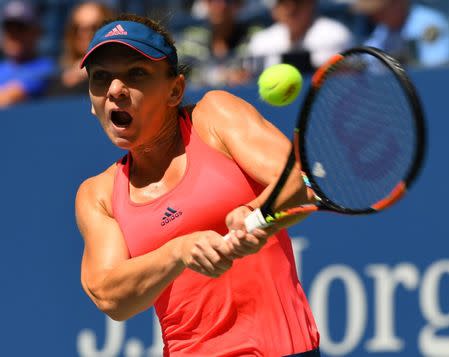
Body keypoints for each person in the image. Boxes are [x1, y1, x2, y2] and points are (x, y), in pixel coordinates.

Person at [75, 13, 321, 356]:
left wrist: (256, 214)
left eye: (136, 74)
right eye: (101, 78)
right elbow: (108, 294)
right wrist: (178, 251)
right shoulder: (98, 194)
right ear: (91, 101)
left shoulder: (214, 116)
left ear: (175, 90)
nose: (115, 89)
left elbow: (299, 180)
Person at [245, 0, 353, 73]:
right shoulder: (260, 42)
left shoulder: (336, 35)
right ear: (274, 10)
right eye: (283, 2)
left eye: (297, 1)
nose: (291, 9)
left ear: (311, 4)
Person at [175, 0, 265, 87]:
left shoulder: (256, 36)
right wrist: (221, 77)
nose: (220, 5)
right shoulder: (190, 40)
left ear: (239, 4)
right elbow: (177, 77)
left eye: (228, 0)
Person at [352, 0, 449, 67]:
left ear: (397, 3)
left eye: (381, 10)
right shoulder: (384, 29)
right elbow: (369, 60)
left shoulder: (430, 24)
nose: (374, 17)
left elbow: (435, 69)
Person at [48, 1, 113, 95]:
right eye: (76, 27)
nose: (83, 33)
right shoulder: (56, 76)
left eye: (93, 27)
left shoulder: (117, 75)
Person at [0, 0, 55, 108]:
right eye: (9, 28)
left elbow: (9, 97)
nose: (13, 34)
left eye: (20, 28)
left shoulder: (46, 68)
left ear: (36, 32)